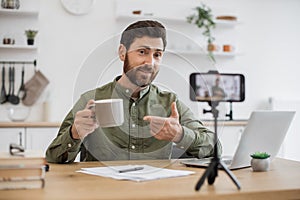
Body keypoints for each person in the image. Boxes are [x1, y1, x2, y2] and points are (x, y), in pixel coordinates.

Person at [46, 20, 222, 163]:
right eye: (142, 52)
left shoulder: (170, 102)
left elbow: (216, 149)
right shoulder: (91, 99)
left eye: (157, 54)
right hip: (101, 191)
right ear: (123, 53)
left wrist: (180, 134)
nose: (150, 62)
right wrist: (75, 133)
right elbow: (53, 157)